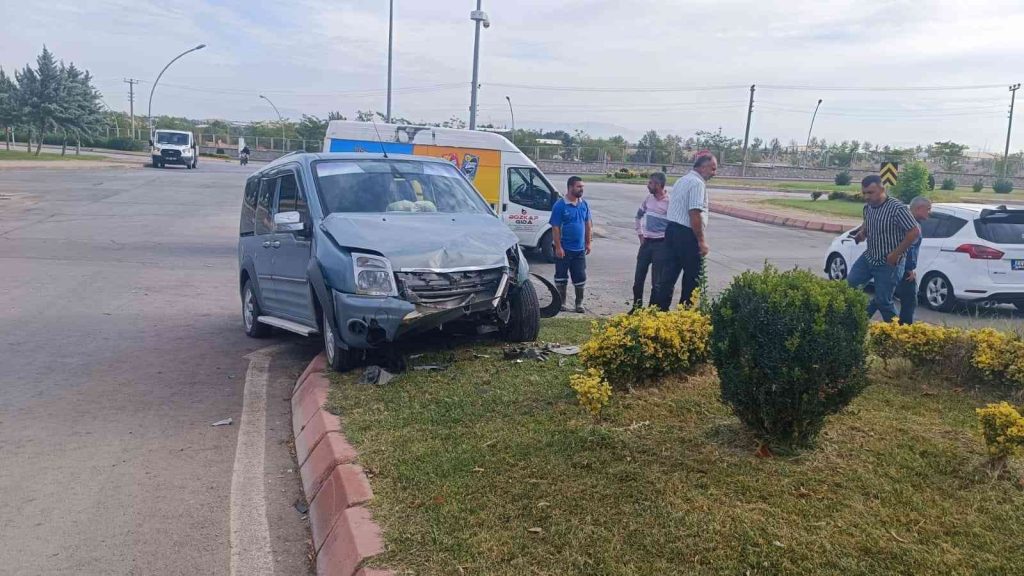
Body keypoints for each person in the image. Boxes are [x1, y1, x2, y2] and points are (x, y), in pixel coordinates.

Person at [847, 175, 921, 322]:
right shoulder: (868, 207)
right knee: (850, 285)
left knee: (883, 301)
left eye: (871, 192)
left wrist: (896, 254)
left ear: (882, 189)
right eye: (864, 193)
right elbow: (868, 224)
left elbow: (914, 232)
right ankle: (855, 321)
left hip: (888, 263)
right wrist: (862, 233)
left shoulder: (897, 208)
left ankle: (896, 332)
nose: (867, 196)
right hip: (869, 257)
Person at [652, 154, 717, 310]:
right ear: (703, 167)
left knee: (668, 277)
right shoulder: (697, 184)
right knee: (692, 279)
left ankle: (659, 313)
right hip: (686, 235)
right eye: (713, 169)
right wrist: (701, 241)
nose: (714, 173)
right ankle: (685, 315)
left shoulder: (682, 180)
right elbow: (694, 213)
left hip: (671, 232)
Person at [549, 176, 592, 313]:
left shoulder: (584, 204)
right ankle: (561, 303)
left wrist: (588, 242)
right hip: (564, 249)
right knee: (561, 277)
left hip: (579, 250)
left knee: (580, 277)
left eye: (582, 187)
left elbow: (588, 224)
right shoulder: (560, 205)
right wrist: (558, 247)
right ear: (570, 187)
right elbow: (555, 228)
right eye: (579, 186)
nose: (581, 189)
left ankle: (579, 304)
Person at [631, 172, 671, 310]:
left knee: (657, 282)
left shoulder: (670, 202)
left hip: (661, 245)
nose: (648, 185)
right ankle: (636, 307)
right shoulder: (648, 198)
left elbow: (673, 225)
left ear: (658, 185)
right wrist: (640, 234)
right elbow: (638, 216)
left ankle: (651, 310)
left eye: (650, 183)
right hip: (646, 243)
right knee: (638, 279)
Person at [894, 196, 931, 324]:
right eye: (928, 209)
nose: (929, 212)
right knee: (909, 301)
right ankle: (905, 329)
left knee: (884, 297)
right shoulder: (913, 226)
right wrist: (909, 268)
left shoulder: (907, 222)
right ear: (919, 208)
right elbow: (908, 248)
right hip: (903, 268)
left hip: (897, 265)